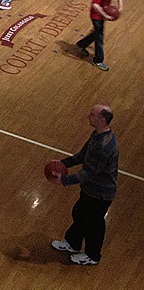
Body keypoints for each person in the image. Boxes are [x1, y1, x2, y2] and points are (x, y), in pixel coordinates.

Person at [49, 104, 118, 265]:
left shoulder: (105, 146)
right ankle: (73, 243)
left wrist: (64, 180)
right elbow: (83, 155)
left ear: (102, 120)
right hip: (91, 189)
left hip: (101, 193)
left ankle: (92, 256)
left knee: (94, 223)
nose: (88, 116)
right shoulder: (97, 135)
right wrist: (63, 163)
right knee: (80, 213)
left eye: (92, 114)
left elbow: (90, 172)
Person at [76, 0, 122, 72]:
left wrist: (120, 8)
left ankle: (81, 44)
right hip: (96, 16)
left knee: (97, 33)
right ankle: (98, 60)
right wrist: (105, 15)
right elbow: (95, 5)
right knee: (99, 38)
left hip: (103, 16)